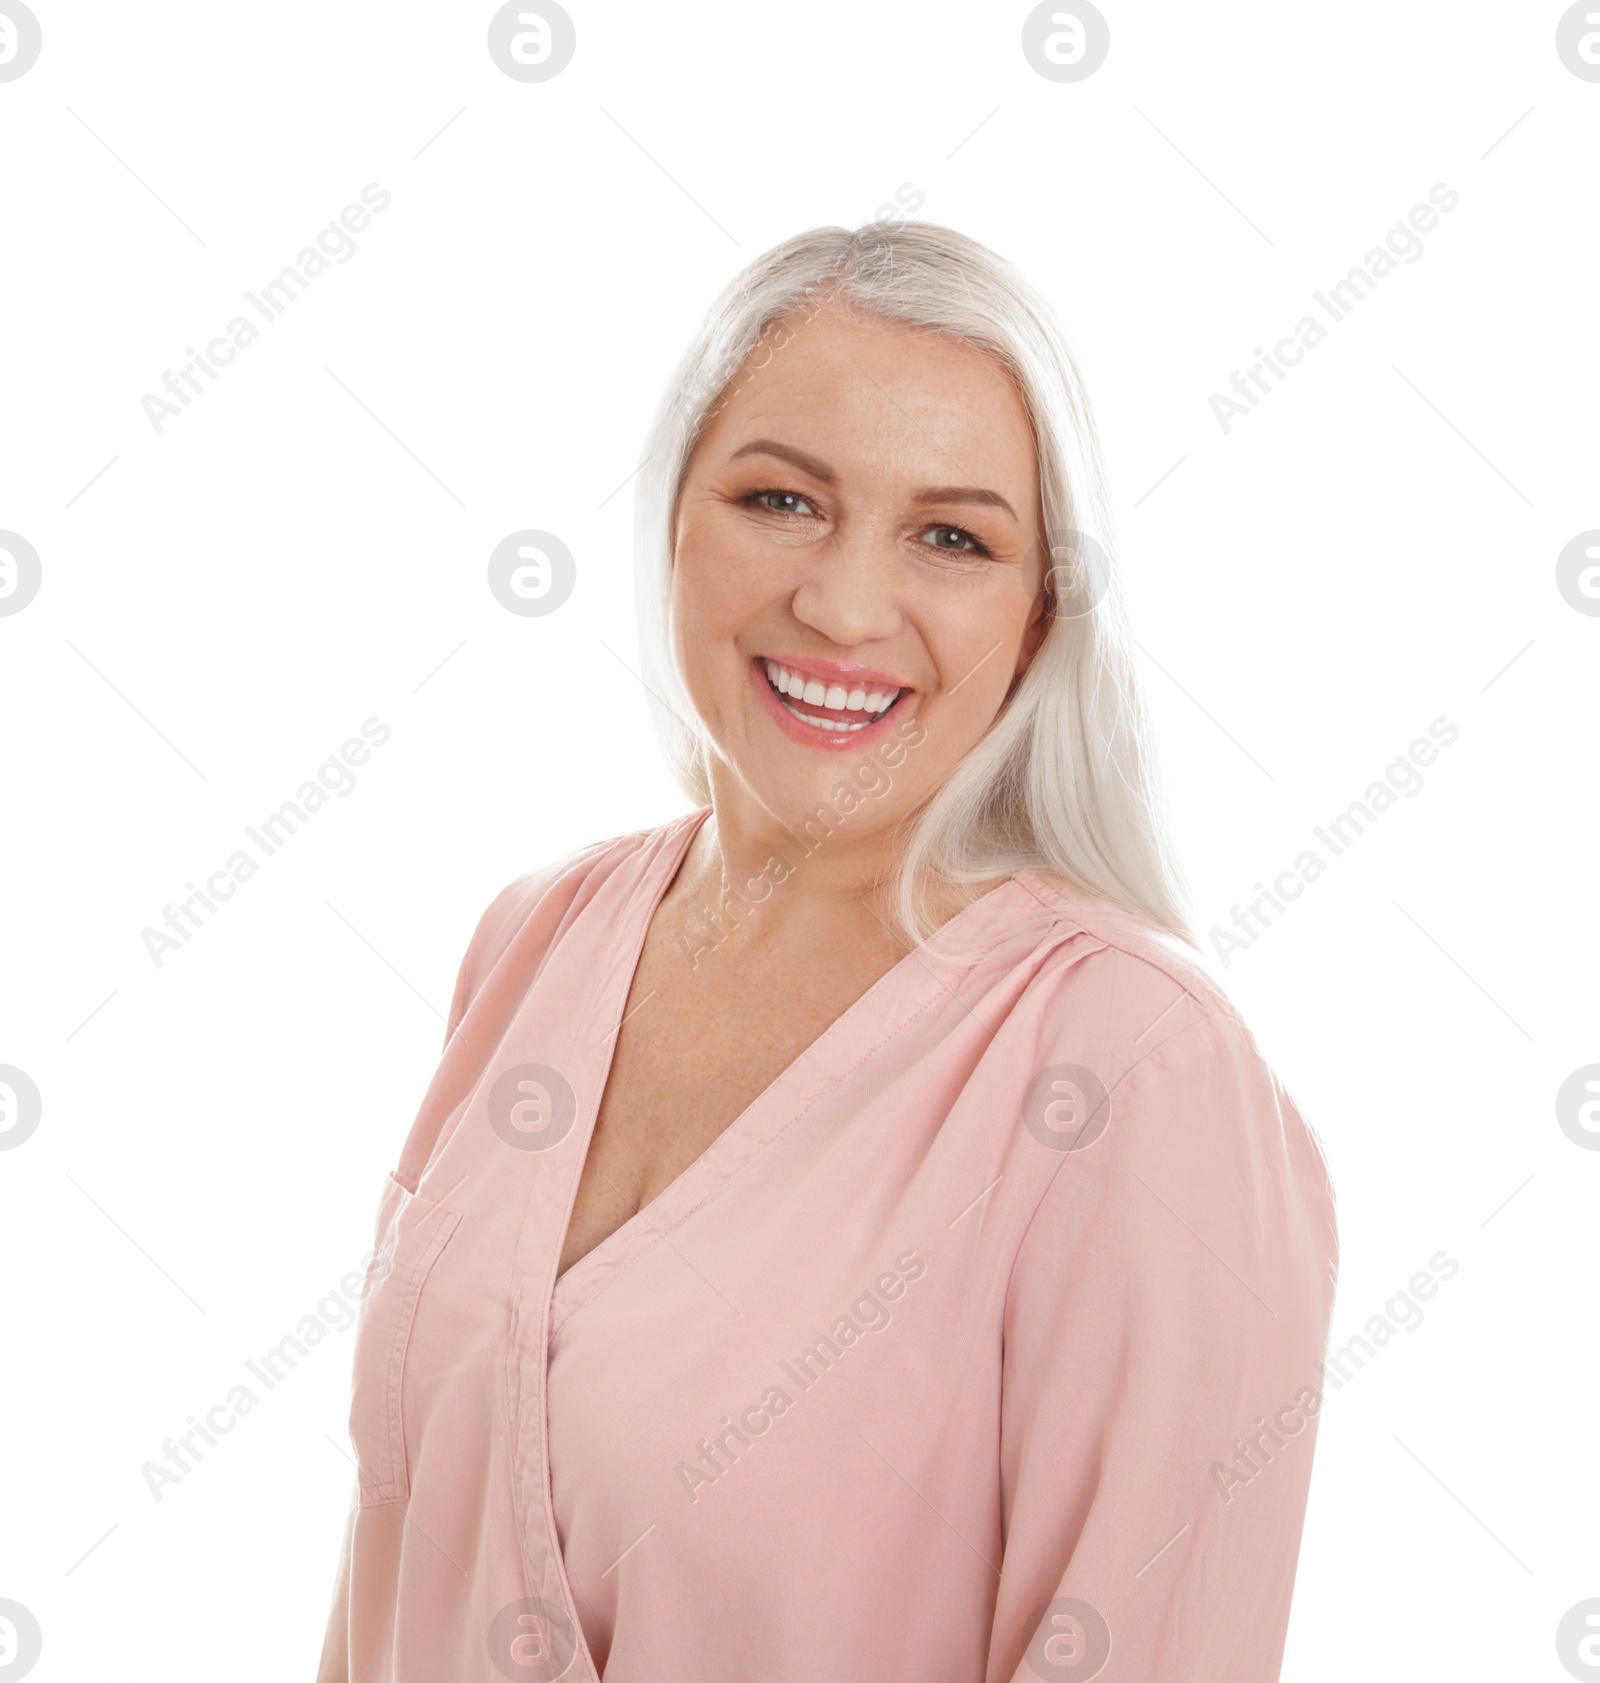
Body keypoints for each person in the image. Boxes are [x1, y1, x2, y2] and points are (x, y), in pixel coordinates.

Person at [317, 220, 1337, 1683]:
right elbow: (385, 1572)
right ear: (674, 512)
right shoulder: (533, 942)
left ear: (1041, 609)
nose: (846, 607)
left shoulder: (1135, 1072)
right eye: (784, 500)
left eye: (951, 537)